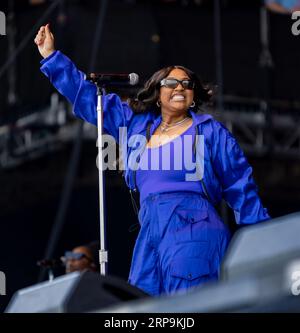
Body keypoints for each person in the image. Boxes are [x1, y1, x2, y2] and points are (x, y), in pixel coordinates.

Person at [34, 24, 270, 296]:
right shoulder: (135, 125)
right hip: (150, 231)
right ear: (157, 92)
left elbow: (242, 189)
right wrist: (52, 57)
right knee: (142, 304)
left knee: (187, 306)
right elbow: (87, 98)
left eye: (187, 84)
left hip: (195, 227)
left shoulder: (210, 132)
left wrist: (264, 247)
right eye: (172, 82)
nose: (180, 87)